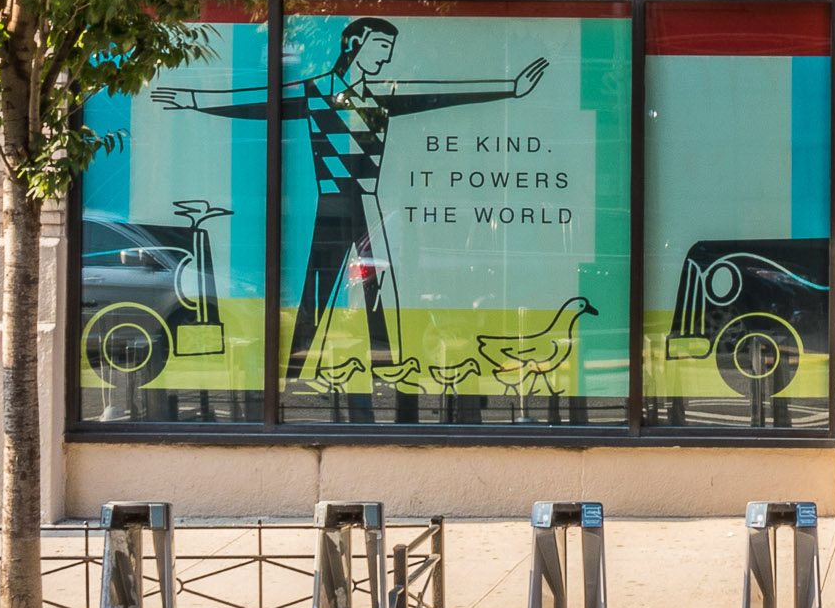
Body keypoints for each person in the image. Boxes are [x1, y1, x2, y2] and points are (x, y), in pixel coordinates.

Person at [157, 20, 544, 384]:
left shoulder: (384, 95)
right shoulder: (316, 92)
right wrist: (194, 98)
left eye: (390, 49)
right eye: (380, 46)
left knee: (377, 285)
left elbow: (439, 93)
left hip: (368, 203)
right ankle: (298, 366)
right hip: (331, 203)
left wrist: (511, 87)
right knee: (319, 285)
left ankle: (383, 363)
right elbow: (261, 102)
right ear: (353, 44)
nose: (386, 58)